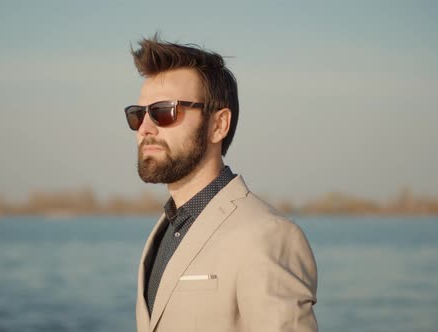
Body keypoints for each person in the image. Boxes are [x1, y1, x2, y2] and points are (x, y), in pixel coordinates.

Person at [124, 35, 318, 332]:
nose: (145, 128)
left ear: (218, 125)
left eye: (164, 112)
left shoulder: (268, 235)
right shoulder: (164, 232)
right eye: (138, 115)